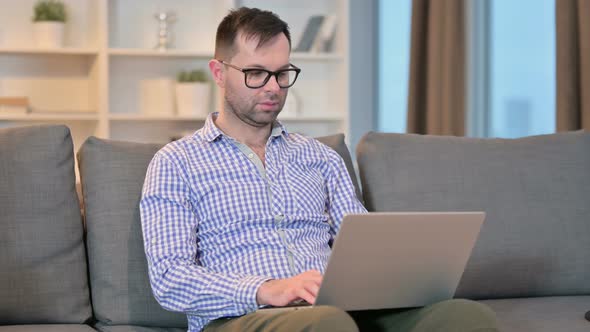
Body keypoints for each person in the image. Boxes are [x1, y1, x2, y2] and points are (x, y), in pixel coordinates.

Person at [140, 7, 499, 332]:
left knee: (464, 316)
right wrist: (266, 290)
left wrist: (404, 274)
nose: (272, 88)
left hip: (336, 311)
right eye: (255, 73)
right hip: (240, 318)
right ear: (219, 72)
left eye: (282, 74)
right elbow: (170, 279)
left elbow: (364, 248)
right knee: (326, 323)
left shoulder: (321, 157)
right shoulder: (176, 162)